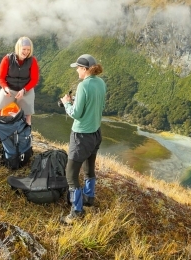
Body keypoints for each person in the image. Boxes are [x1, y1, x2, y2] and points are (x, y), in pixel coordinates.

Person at [59, 54, 107, 224]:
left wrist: (67, 103)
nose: (77, 70)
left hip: (81, 136)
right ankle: (89, 197)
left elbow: (76, 114)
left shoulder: (83, 86)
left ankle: (77, 211)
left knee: (71, 174)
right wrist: (76, 101)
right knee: (89, 168)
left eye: (78, 68)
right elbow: (100, 106)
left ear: (85, 69)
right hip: (95, 133)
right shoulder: (101, 83)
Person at [0, 36, 39, 146]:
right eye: (24, 49)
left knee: (27, 117)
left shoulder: (32, 61)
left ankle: (25, 143)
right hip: (9, 89)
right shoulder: (7, 59)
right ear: (18, 48)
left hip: (26, 90)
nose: (26, 52)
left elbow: (34, 79)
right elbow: (1, 78)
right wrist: (5, 88)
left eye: (28, 50)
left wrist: (24, 90)